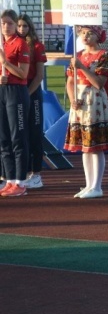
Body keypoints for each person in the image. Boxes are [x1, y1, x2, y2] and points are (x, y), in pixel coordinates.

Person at [64, 25, 108, 199]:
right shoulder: (77, 56)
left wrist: (82, 68)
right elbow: (70, 82)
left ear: (98, 36)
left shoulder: (104, 56)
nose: (86, 36)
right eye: (83, 33)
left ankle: (97, 185)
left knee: (95, 146)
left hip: (95, 101)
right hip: (80, 102)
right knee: (85, 147)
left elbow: (99, 83)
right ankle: (88, 184)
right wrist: (72, 100)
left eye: (90, 33)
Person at [0, 10, 31, 197]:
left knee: (17, 137)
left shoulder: (20, 44)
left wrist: (7, 64)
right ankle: (9, 179)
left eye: (10, 23)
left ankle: (21, 181)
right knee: (3, 138)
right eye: (3, 23)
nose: (6, 26)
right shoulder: (2, 44)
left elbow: (23, 74)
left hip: (17, 93)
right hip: (2, 91)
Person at [16, 13, 47, 189]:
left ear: (30, 27)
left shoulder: (37, 46)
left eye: (24, 26)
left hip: (31, 92)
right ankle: (23, 171)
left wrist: (27, 93)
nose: (21, 29)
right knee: (21, 134)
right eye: (19, 26)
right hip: (16, 91)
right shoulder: (10, 44)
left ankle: (36, 174)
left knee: (35, 133)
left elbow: (39, 75)